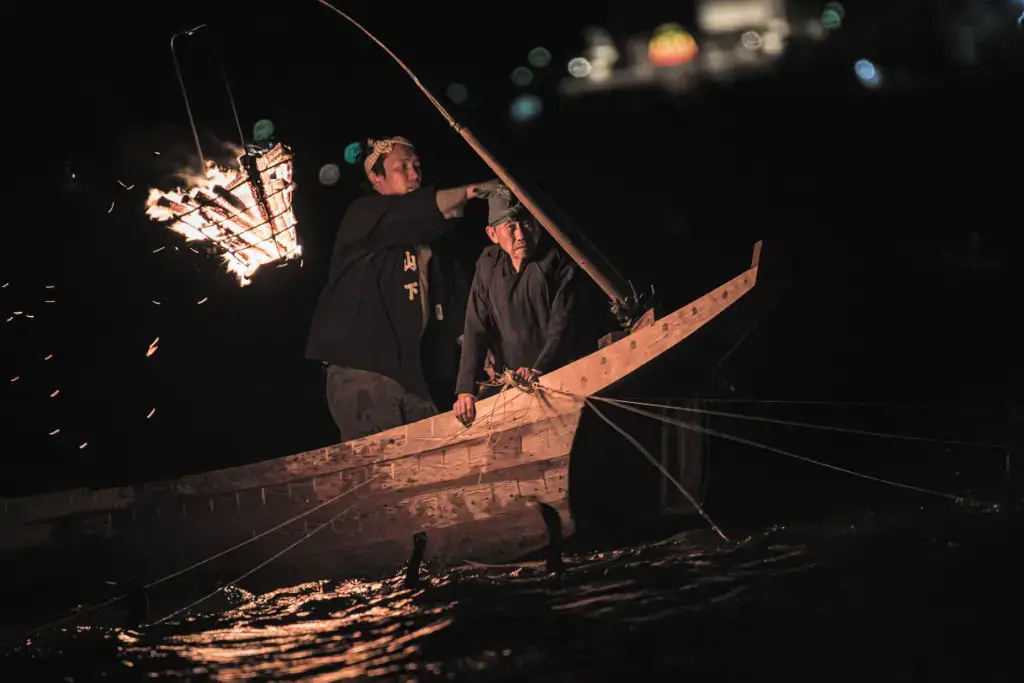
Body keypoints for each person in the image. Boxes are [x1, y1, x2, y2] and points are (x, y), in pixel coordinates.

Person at [306, 136, 495, 441]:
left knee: (436, 458)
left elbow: (455, 301)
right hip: (364, 370)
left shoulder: (430, 243)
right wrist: (476, 190)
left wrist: (473, 349)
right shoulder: (364, 216)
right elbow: (426, 209)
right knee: (381, 468)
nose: (414, 174)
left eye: (417, 166)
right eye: (402, 167)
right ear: (376, 178)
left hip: (412, 375)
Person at [453, 185, 581, 426]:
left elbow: (562, 326)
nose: (521, 234)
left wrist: (540, 369)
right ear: (492, 234)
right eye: (510, 227)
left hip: (558, 377)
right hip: (512, 386)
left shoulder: (558, 262)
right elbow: (475, 328)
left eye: (527, 223)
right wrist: (465, 390)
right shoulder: (488, 266)